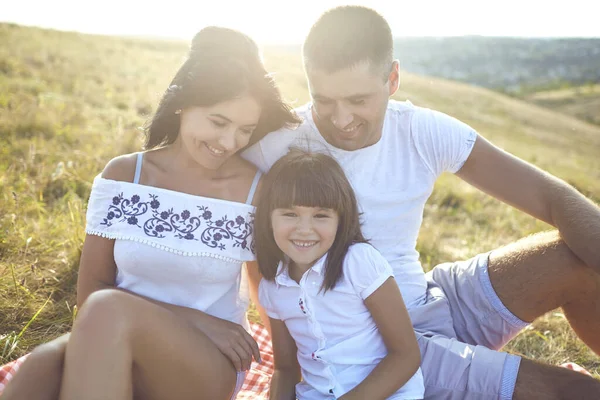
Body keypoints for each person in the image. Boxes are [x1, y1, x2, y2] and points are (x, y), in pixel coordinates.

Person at [241, 6, 600, 400]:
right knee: (573, 392)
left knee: (577, 259)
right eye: (322, 100)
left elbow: (553, 198)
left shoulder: (421, 130)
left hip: (433, 296)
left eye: (358, 99)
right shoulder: (276, 144)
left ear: (392, 78)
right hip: (371, 345)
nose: (341, 119)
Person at [0, 26, 299, 400]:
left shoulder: (256, 190)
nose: (229, 142)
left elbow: (270, 290)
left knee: (106, 310)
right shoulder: (125, 176)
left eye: (245, 130)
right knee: (39, 367)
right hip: (115, 336)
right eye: (218, 123)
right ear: (182, 104)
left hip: (204, 364)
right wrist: (196, 319)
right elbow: (91, 292)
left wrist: (287, 373)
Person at [254, 150, 424, 399]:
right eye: (289, 214)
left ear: (340, 220)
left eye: (321, 216)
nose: (304, 230)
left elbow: (406, 355)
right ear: (268, 218)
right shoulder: (272, 288)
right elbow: (286, 368)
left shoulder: (359, 262)